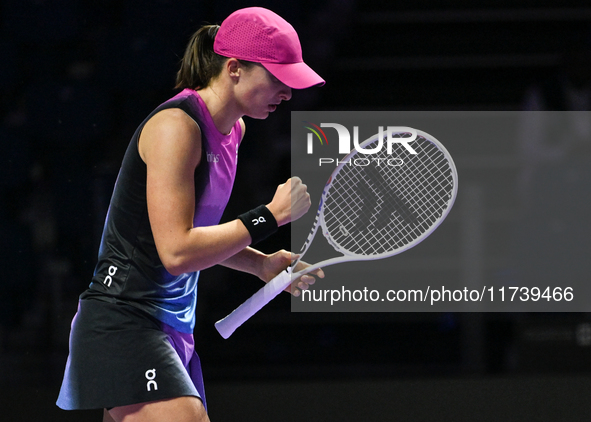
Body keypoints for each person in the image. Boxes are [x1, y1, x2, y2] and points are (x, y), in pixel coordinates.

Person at [56, 7, 325, 422]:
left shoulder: (234, 131)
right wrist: (270, 216)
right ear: (234, 68)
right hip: (125, 319)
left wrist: (260, 264)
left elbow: (195, 234)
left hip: (173, 325)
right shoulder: (175, 128)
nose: (288, 92)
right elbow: (177, 252)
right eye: (277, 78)